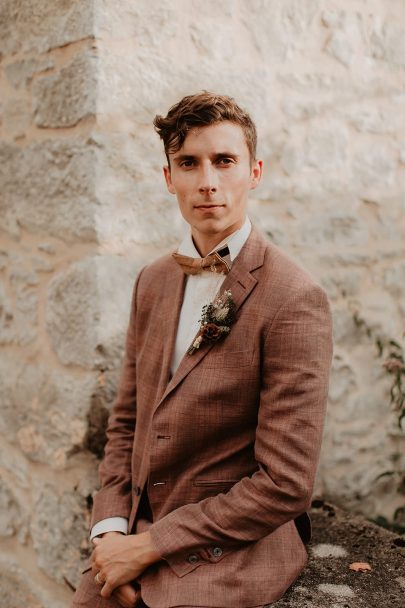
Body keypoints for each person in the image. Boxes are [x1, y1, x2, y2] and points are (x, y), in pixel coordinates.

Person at [72, 92, 333, 608]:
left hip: (231, 549)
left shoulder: (295, 296)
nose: (207, 181)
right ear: (169, 177)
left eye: (225, 160)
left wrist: (149, 547)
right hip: (136, 529)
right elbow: (127, 423)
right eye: (189, 163)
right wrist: (109, 534)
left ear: (255, 172)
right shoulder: (151, 281)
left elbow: (285, 483)